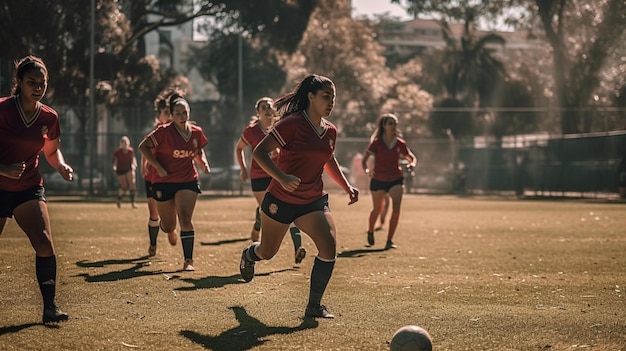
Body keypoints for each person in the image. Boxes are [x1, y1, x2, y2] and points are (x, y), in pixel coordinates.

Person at [239, 74, 359, 319]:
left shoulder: (330, 131)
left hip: (312, 201)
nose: (331, 101)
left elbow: (328, 159)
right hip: (281, 199)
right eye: (326, 96)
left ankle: (313, 307)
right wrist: (282, 177)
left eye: (333, 97)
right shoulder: (292, 124)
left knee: (328, 246)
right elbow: (260, 152)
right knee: (268, 252)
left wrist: (347, 186)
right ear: (310, 97)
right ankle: (249, 255)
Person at [0, 55, 73, 323]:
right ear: (18, 82)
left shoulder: (49, 117)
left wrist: (62, 166)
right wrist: (3, 168)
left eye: (42, 83)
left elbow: (52, 152)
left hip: (27, 188)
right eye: (31, 82)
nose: (38, 87)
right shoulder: (3, 110)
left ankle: (50, 307)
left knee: (44, 242)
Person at [138, 92, 210, 271]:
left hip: (187, 180)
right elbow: (143, 147)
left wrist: (204, 163)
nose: (181, 115)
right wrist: (156, 166)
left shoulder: (196, 132)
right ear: (171, 114)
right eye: (177, 112)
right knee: (169, 226)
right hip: (163, 181)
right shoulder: (163, 131)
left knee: (185, 218)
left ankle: (188, 261)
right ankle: (167, 227)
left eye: (184, 111)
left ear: (189, 112)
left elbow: (198, 150)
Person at [235, 97, 307, 264]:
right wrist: (243, 168)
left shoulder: (282, 127)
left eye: (270, 107)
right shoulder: (251, 131)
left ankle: (298, 248)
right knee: (267, 209)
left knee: (288, 209)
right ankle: (259, 221)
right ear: (258, 112)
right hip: (259, 177)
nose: (268, 109)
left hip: (279, 175)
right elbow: (239, 149)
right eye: (263, 107)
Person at [361, 113, 417, 250]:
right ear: (384, 126)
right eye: (390, 123)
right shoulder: (377, 143)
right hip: (378, 179)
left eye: (395, 123)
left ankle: (389, 240)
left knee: (396, 208)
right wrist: (368, 171)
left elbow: (411, 158)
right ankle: (370, 230)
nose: (393, 126)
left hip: (395, 179)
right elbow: (364, 161)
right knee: (377, 209)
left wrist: (412, 164)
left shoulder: (400, 143)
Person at [141, 88, 176, 257]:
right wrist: (143, 165)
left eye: (170, 112)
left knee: (171, 209)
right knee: (153, 211)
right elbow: (145, 148)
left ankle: (170, 228)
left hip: (170, 176)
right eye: (165, 112)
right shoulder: (156, 131)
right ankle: (153, 244)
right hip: (152, 176)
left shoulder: (177, 131)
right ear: (159, 114)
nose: (168, 116)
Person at [112, 136, 137, 208]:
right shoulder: (117, 152)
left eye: (126, 143)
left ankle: (133, 203)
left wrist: (134, 164)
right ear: (121, 144)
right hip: (120, 170)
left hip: (129, 168)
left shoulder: (131, 151)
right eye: (123, 143)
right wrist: (114, 167)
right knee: (124, 187)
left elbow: (133, 158)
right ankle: (119, 200)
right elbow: (114, 161)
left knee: (132, 184)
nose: (124, 145)